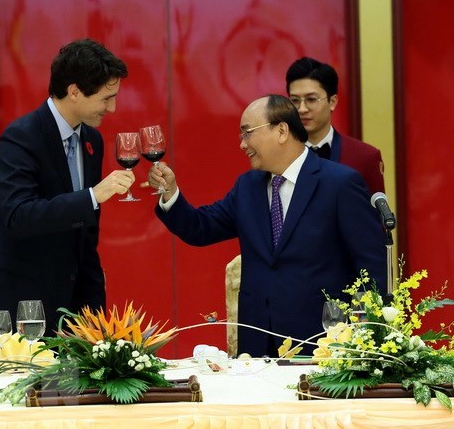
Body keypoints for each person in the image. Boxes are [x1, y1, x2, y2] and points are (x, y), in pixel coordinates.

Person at [147, 94, 387, 357]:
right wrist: (170, 193)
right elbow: (200, 227)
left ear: (282, 130)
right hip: (258, 343)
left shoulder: (339, 183)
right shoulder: (247, 186)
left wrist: (366, 339)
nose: (242, 144)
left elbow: (371, 268)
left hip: (323, 343)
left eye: (248, 133)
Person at [0, 38, 134, 354]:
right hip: (16, 309)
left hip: (73, 310)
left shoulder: (92, 139)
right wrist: (92, 195)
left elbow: (85, 235)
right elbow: (18, 215)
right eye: (106, 98)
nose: (112, 108)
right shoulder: (21, 137)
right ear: (74, 91)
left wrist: (96, 314)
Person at [285, 57, 385, 195]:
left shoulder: (364, 157)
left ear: (332, 102)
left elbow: (376, 214)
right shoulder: (278, 156)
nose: (301, 109)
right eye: (295, 100)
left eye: (311, 99)